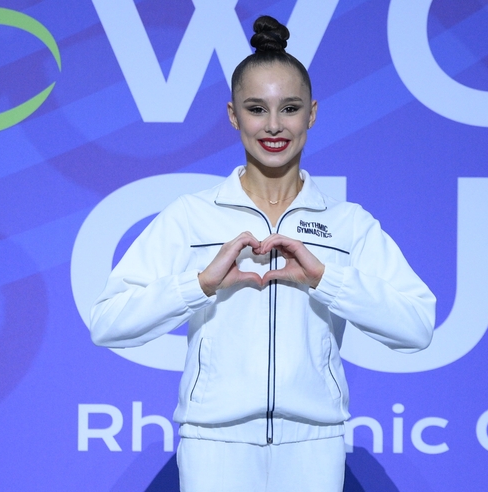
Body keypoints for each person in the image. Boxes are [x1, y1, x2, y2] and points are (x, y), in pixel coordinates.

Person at [90, 15, 435, 492]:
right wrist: (199, 285)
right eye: (257, 109)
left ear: (312, 113)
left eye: (289, 108)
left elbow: (417, 327)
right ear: (233, 115)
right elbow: (107, 322)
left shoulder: (347, 223)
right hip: (214, 444)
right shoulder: (192, 216)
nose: (274, 126)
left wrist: (324, 280)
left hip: (315, 443)